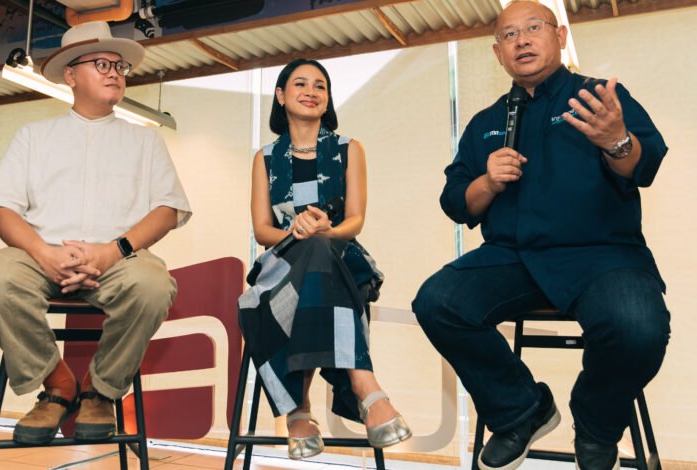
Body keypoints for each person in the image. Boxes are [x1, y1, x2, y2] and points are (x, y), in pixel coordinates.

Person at [411, 2, 669, 469]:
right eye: (510, 35)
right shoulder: (486, 121)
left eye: (534, 28)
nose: (523, 40)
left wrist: (616, 140)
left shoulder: (598, 98)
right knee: (438, 301)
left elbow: (645, 164)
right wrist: (486, 183)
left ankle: (596, 425)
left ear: (560, 36)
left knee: (638, 327)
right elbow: (455, 202)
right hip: (513, 257)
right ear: (498, 53)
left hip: (602, 254)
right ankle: (521, 411)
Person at [0, 21, 191, 445]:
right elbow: (1, 211)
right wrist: (44, 253)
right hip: (39, 254)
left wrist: (112, 251)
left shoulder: (145, 142)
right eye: (102, 64)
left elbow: (167, 210)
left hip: (117, 257)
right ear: (70, 75)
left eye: (120, 66)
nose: (115, 72)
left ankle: (100, 391)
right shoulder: (33, 136)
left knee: (153, 285)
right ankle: (57, 383)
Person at [238, 58, 411, 460]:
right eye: (300, 84)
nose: (311, 91)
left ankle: (299, 409)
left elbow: (355, 220)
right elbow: (262, 230)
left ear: (328, 98)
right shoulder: (264, 157)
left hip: (342, 257)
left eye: (320, 85)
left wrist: (321, 232)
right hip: (282, 264)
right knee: (309, 255)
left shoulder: (351, 149)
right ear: (280, 96)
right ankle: (365, 388)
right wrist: (295, 232)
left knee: (320, 252)